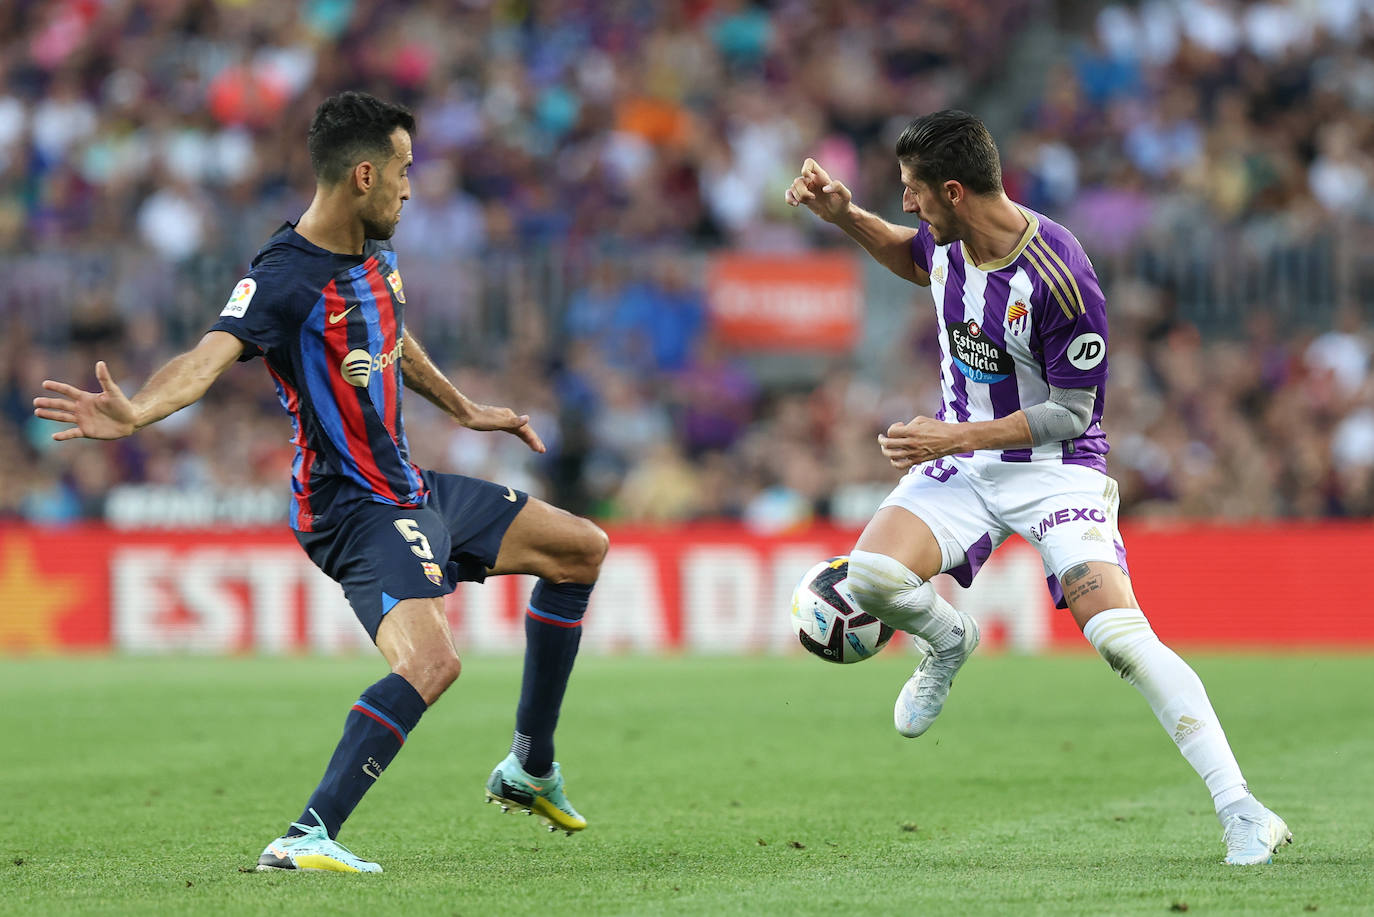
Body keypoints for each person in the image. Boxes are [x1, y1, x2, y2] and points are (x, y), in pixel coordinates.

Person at [33, 92, 609, 873]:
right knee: (432, 664)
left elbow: (392, 335)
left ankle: (530, 767)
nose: (413, 187)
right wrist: (136, 412)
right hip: (351, 506)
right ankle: (304, 834)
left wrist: (467, 408)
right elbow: (208, 356)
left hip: (409, 486)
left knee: (581, 548)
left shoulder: (376, 248)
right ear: (364, 175)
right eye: (404, 170)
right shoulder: (284, 277)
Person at [785, 110, 1290, 866]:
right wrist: (844, 215)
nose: (908, 205)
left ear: (954, 191)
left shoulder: (1059, 272)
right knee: (872, 577)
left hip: (1055, 471)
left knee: (1121, 638)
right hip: (964, 467)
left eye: (913, 192)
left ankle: (1244, 808)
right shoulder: (951, 241)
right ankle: (948, 640)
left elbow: (1070, 411)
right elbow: (914, 258)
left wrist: (953, 435)